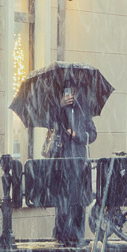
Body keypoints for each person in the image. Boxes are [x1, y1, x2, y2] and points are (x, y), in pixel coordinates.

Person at [47, 88, 97, 243]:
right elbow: (50, 124)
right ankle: (62, 235)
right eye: (67, 92)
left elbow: (93, 134)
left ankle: (77, 235)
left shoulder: (84, 110)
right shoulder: (59, 111)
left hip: (80, 162)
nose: (70, 96)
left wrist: (78, 136)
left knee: (78, 201)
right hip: (62, 162)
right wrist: (59, 106)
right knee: (63, 201)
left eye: (73, 92)